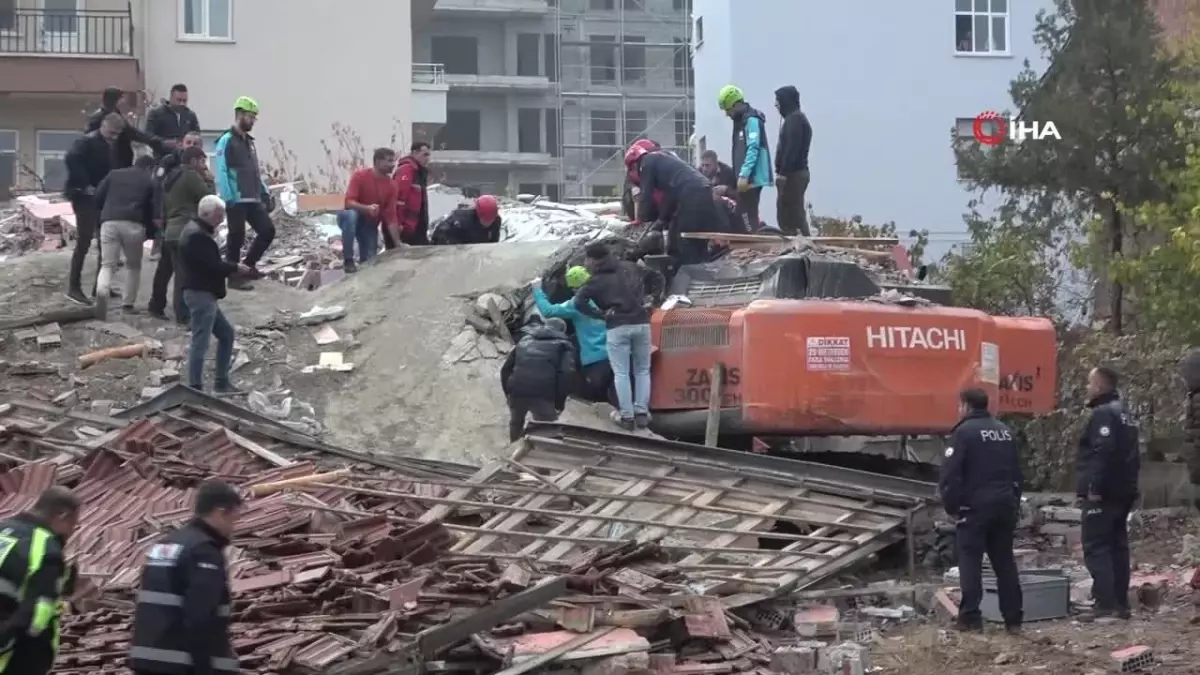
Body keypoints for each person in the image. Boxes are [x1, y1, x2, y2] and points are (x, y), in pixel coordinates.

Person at [128, 481, 242, 675]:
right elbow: (200, 614)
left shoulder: (165, 545)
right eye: (234, 518)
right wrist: (205, 668)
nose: (233, 527)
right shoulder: (203, 551)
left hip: (147, 658)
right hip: (180, 662)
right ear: (220, 512)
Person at [938, 388, 1023, 633]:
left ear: (965, 406)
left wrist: (952, 506)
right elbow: (1017, 473)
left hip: (974, 508)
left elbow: (950, 475)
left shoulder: (963, 433)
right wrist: (1013, 502)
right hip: (1004, 506)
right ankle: (1014, 620)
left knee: (970, 563)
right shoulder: (1005, 432)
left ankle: (970, 619)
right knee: (1005, 563)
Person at [1076, 366, 1139, 622]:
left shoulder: (1103, 414)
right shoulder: (1126, 413)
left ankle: (1105, 603)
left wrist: (1094, 488)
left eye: (1090, 383)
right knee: (1117, 546)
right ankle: (1120, 603)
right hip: (1125, 490)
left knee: (1096, 547)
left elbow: (1102, 451)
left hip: (1104, 493)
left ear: (1100, 386)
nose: (1087, 388)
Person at [573, 242, 655, 431]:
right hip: (642, 323)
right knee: (643, 370)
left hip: (617, 326)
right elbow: (656, 276)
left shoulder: (595, 281)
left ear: (593, 260)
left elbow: (579, 302)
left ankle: (627, 417)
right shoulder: (630, 267)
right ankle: (642, 414)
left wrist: (600, 314)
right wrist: (652, 300)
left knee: (621, 372)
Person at [0, 487, 80, 675]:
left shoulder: (4, 529)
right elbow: (37, 615)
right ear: (62, 515)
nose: (72, 532)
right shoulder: (47, 548)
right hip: (15, 660)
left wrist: (64, 581)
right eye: (73, 524)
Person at [179, 195, 249, 394]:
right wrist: (236, 267)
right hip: (201, 293)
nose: (221, 219)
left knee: (226, 334)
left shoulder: (194, 229)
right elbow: (214, 266)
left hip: (202, 292)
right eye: (219, 215)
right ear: (207, 214)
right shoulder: (198, 236)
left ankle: (221, 382)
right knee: (200, 342)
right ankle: (195, 388)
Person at [625, 142, 729, 265]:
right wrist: (662, 220)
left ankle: (691, 272)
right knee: (696, 236)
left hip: (692, 193)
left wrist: (641, 218)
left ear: (635, 163)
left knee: (685, 238)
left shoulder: (647, 162)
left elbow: (646, 194)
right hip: (703, 191)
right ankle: (702, 266)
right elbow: (670, 197)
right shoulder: (667, 162)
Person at [63, 112, 126, 306]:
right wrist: (85, 185)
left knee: (105, 242)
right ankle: (74, 288)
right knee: (84, 242)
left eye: (116, 135)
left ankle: (100, 286)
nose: (113, 137)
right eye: (111, 133)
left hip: (101, 197)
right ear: (103, 125)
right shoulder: (86, 142)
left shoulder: (110, 146)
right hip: (84, 197)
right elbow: (71, 160)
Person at [214, 96, 275, 290]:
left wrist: (265, 192)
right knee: (236, 236)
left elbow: (255, 169)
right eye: (250, 117)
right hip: (236, 198)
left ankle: (248, 267)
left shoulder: (250, 142)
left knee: (267, 230)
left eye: (254, 118)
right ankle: (233, 277)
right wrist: (228, 196)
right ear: (239, 114)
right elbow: (221, 168)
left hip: (253, 197)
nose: (253, 121)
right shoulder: (226, 140)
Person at [93, 154, 161, 318]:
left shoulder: (114, 174)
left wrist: (101, 219)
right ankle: (127, 304)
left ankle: (102, 292)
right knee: (133, 266)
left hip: (109, 222)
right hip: (133, 224)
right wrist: (151, 233)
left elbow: (97, 197)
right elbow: (153, 209)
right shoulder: (150, 181)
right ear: (150, 168)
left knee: (107, 264)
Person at [150, 146, 213, 324]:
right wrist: (209, 181)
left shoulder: (170, 177)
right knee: (183, 275)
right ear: (193, 161)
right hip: (185, 231)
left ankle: (156, 305)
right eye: (202, 161)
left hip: (170, 231)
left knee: (165, 271)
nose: (205, 165)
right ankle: (183, 314)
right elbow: (208, 199)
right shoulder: (191, 176)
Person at [531, 266, 612, 403]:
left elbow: (548, 311)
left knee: (598, 400)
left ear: (574, 288)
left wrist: (537, 289)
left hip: (595, 358)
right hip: (619, 354)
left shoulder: (576, 304)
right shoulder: (608, 296)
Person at [500, 317, 576, 442]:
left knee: (516, 423)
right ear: (563, 331)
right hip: (543, 393)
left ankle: (514, 448)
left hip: (517, 389)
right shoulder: (564, 346)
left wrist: (508, 393)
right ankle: (538, 455)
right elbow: (566, 375)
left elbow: (505, 369)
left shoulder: (524, 340)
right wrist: (559, 403)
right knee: (547, 429)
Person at [717, 85, 773, 232]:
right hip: (745, 179)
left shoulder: (751, 120)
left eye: (728, 110)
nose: (727, 114)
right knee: (741, 215)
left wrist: (744, 175)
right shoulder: (740, 122)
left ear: (735, 104)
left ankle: (752, 243)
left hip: (751, 179)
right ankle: (750, 243)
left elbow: (753, 148)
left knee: (747, 216)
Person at [339, 148, 398, 272]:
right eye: (389, 161)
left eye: (394, 161)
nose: (393, 165)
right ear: (378, 161)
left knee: (369, 262)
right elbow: (348, 202)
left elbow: (391, 217)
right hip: (352, 217)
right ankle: (348, 260)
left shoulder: (392, 185)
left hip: (369, 224)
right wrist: (366, 208)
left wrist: (398, 243)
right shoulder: (360, 176)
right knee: (350, 216)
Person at [85, 86, 168, 168]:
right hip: (110, 162)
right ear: (115, 99)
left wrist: (156, 141)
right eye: (121, 98)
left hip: (117, 160)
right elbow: (132, 133)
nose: (123, 101)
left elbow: (133, 133)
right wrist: (158, 141)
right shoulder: (101, 117)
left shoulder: (115, 113)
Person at [773, 86, 813, 237]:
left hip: (793, 174)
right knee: (791, 211)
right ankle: (799, 241)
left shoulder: (795, 120)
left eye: (778, 100)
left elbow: (792, 149)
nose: (776, 104)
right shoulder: (795, 119)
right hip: (794, 173)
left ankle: (802, 243)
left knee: (791, 213)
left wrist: (783, 173)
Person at [144, 84, 201, 158]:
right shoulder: (156, 113)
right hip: (162, 158)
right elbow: (148, 136)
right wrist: (164, 142)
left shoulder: (190, 115)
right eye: (179, 100)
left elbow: (197, 134)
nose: (182, 103)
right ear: (171, 98)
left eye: (184, 101)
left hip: (184, 159)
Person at [392, 141, 433, 247]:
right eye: (425, 155)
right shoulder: (407, 170)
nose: (427, 158)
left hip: (417, 226)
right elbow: (398, 199)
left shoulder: (419, 172)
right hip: (408, 228)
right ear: (414, 153)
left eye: (428, 155)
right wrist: (400, 224)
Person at [430, 195, 502, 245]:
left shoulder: (496, 222)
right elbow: (440, 233)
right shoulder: (461, 219)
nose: (488, 223)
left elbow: (493, 244)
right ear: (477, 213)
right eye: (485, 220)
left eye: (491, 220)